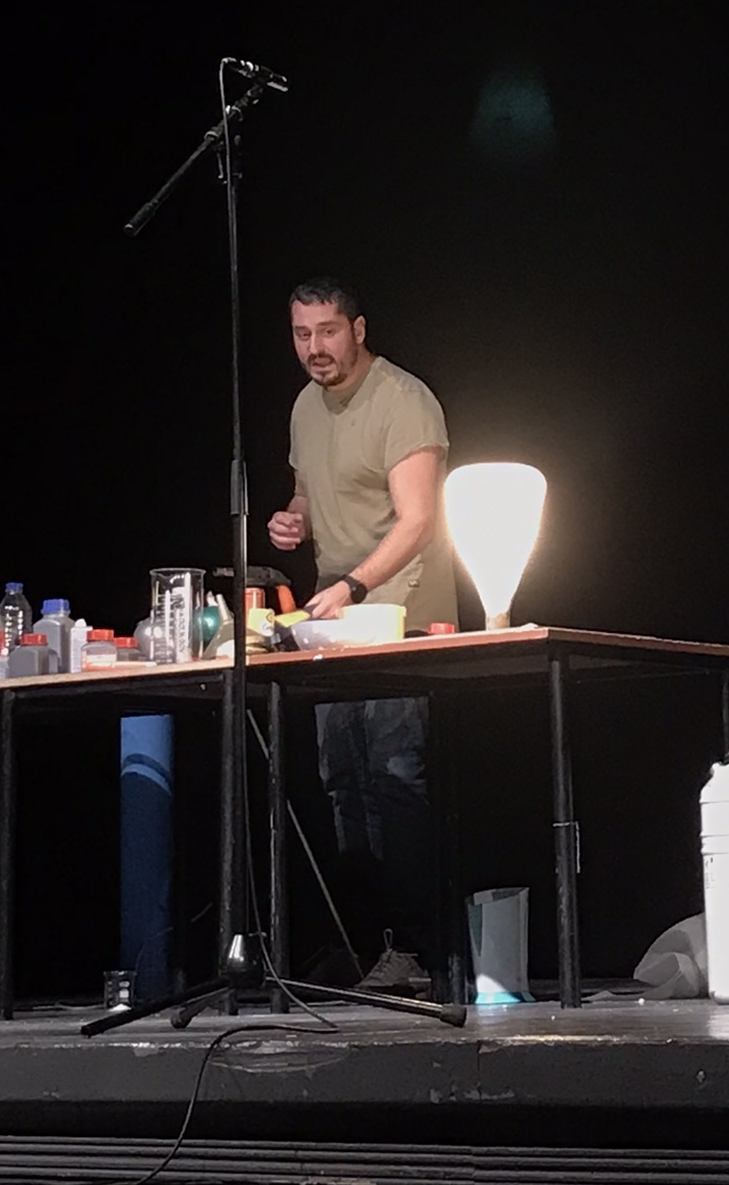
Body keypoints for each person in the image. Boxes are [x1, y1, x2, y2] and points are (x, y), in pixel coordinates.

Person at [267, 276, 458, 995]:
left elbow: (418, 520)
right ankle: (367, 944)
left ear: (358, 330)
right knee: (342, 782)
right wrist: (293, 520)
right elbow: (309, 494)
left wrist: (353, 584)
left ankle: (416, 949)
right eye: (301, 334)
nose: (314, 347)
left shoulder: (403, 400)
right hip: (335, 617)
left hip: (399, 612)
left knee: (396, 778)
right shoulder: (304, 407)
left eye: (327, 331)